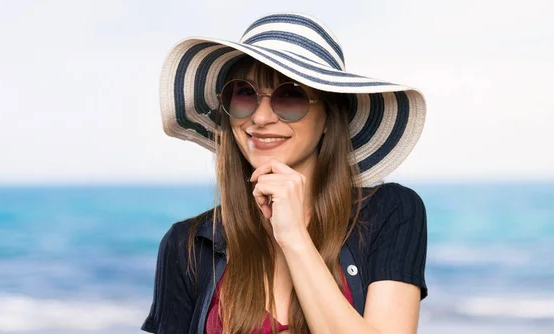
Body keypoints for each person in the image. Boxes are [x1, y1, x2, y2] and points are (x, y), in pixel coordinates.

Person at [142, 12, 428, 334]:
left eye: (290, 96)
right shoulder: (187, 245)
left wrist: (293, 237)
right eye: (244, 94)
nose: (261, 117)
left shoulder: (391, 212)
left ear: (330, 115)